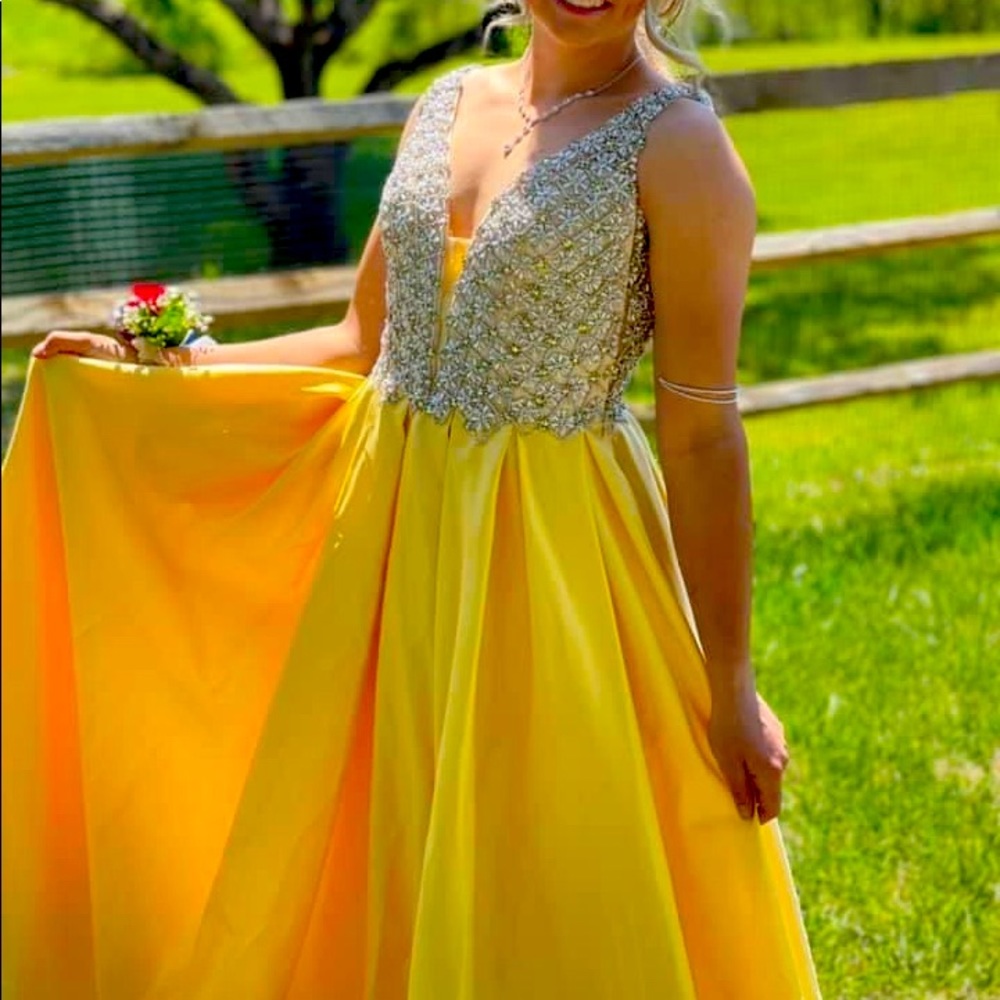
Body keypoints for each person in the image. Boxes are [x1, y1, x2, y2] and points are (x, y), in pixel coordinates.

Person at [3, 0, 822, 996]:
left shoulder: (681, 148)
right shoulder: (442, 104)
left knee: (531, 852)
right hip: (382, 542)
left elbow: (699, 434)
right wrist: (172, 360)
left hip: (542, 565)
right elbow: (361, 340)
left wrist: (729, 683)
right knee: (357, 830)